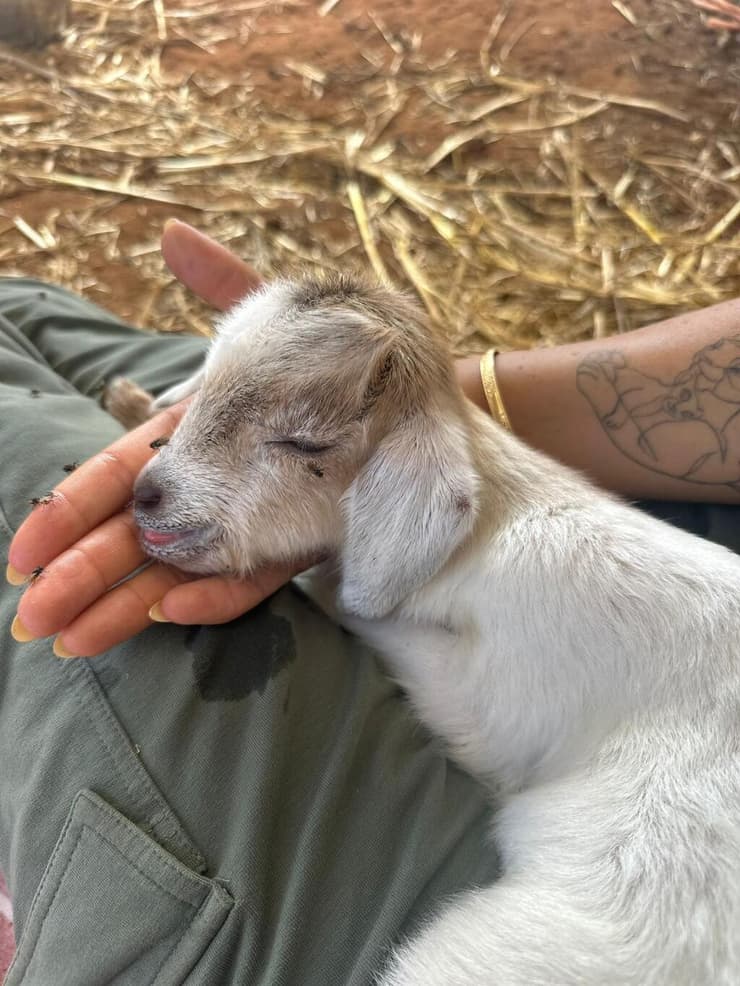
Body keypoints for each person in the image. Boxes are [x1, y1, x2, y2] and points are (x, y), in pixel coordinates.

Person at [1, 219, 739, 984]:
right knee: (19, 306)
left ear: (413, 490)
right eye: (202, 397)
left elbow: (435, 656)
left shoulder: (464, 560)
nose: (154, 481)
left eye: (300, 447)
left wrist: (328, 568)